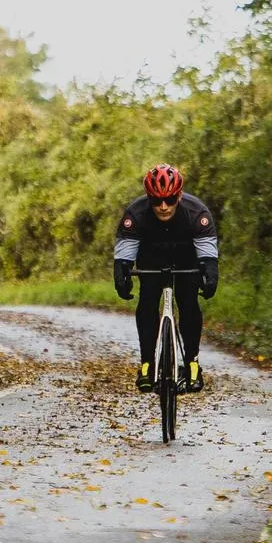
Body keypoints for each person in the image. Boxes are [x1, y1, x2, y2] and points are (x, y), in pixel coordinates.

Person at [112, 163, 219, 393]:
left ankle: (192, 363)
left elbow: (208, 253)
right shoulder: (136, 214)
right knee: (147, 302)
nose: (163, 207)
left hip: (186, 260)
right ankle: (147, 365)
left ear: (179, 195)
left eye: (169, 200)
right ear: (148, 197)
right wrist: (122, 274)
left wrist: (210, 273)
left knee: (189, 303)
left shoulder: (196, 212)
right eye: (156, 201)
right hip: (151, 259)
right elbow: (124, 255)